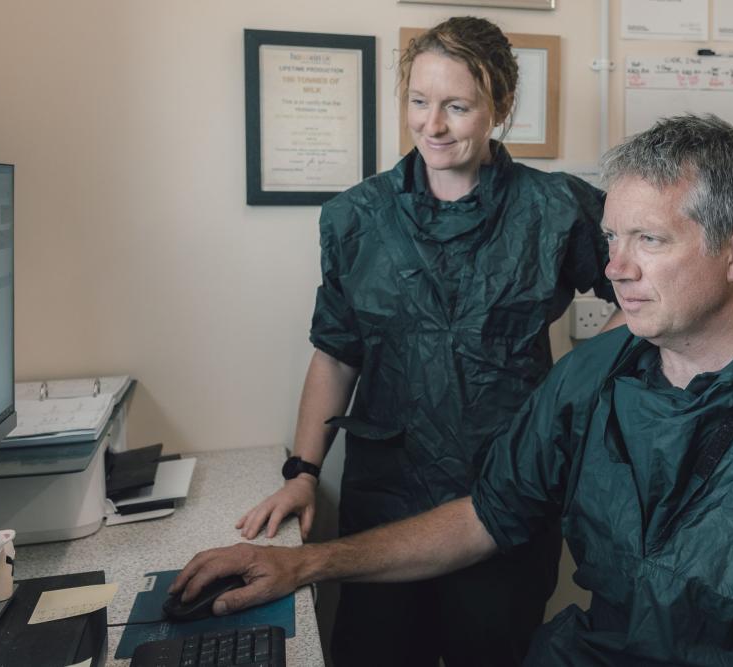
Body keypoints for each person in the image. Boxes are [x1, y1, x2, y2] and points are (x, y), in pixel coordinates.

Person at [174, 114, 733, 665]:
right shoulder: (593, 377)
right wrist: (303, 565)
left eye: (650, 239)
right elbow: (484, 516)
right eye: (612, 237)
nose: (616, 268)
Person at [234, 16, 616, 666]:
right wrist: (302, 473)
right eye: (418, 101)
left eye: (456, 106)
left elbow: (644, 291)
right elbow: (335, 352)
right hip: (385, 499)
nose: (431, 125)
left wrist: (575, 391)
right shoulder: (356, 219)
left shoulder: (555, 210)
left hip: (505, 495)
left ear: (501, 106)